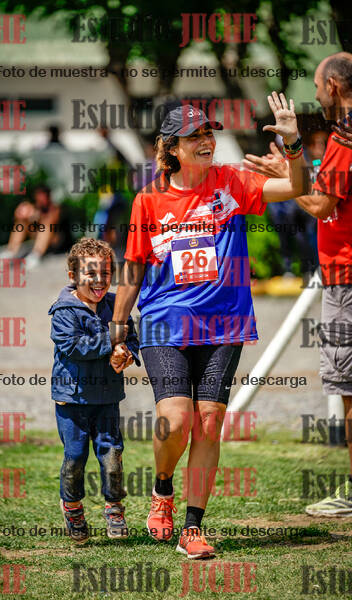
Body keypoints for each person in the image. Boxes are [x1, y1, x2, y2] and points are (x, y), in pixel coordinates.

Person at [109, 95, 306, 558]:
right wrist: (117, 328)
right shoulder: (148, 200)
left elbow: (297, 186)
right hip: (165, 323)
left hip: (224, 326)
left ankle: (192, 528)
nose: (206, 141)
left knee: (209, 422)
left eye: (208, 133)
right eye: (194, 136)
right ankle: (162, 489)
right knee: (176, 420)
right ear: (171, 148)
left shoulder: (232, 182)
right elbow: (134, 268)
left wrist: (293, 143)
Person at [244, 52, 352, 517]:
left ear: (333, 86)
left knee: (347, 388)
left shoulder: (345, 134)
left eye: (317, 85)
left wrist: (284, 176)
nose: (316, 94)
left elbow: (323, 205)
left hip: (347, 277)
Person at [48, 237, 140, 542]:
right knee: (75, 457)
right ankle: (72, 507)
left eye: (106, 273)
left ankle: (114, 509)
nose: (99, 280)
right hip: (72, 399)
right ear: (73, 276)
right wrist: (112, 342)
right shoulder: (64, 311)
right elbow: (74, 347)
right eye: (90, 273)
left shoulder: (116, 306)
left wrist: (126, 352)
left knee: (112, 455)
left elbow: (131, 336)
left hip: (107, 398)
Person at [1, 184, 62, 270]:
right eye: (39, 195)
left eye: (43, 194)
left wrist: (36, 216)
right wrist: (22, 214)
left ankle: (35, 255)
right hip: (37, 237)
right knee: (21, 223)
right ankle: (11, 251)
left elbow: (52, 220)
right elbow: (16, 217)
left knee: (46, 225)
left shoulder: (55, 208)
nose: (40, 198)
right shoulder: (34, 207)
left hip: (54, 242)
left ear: (48, 195)